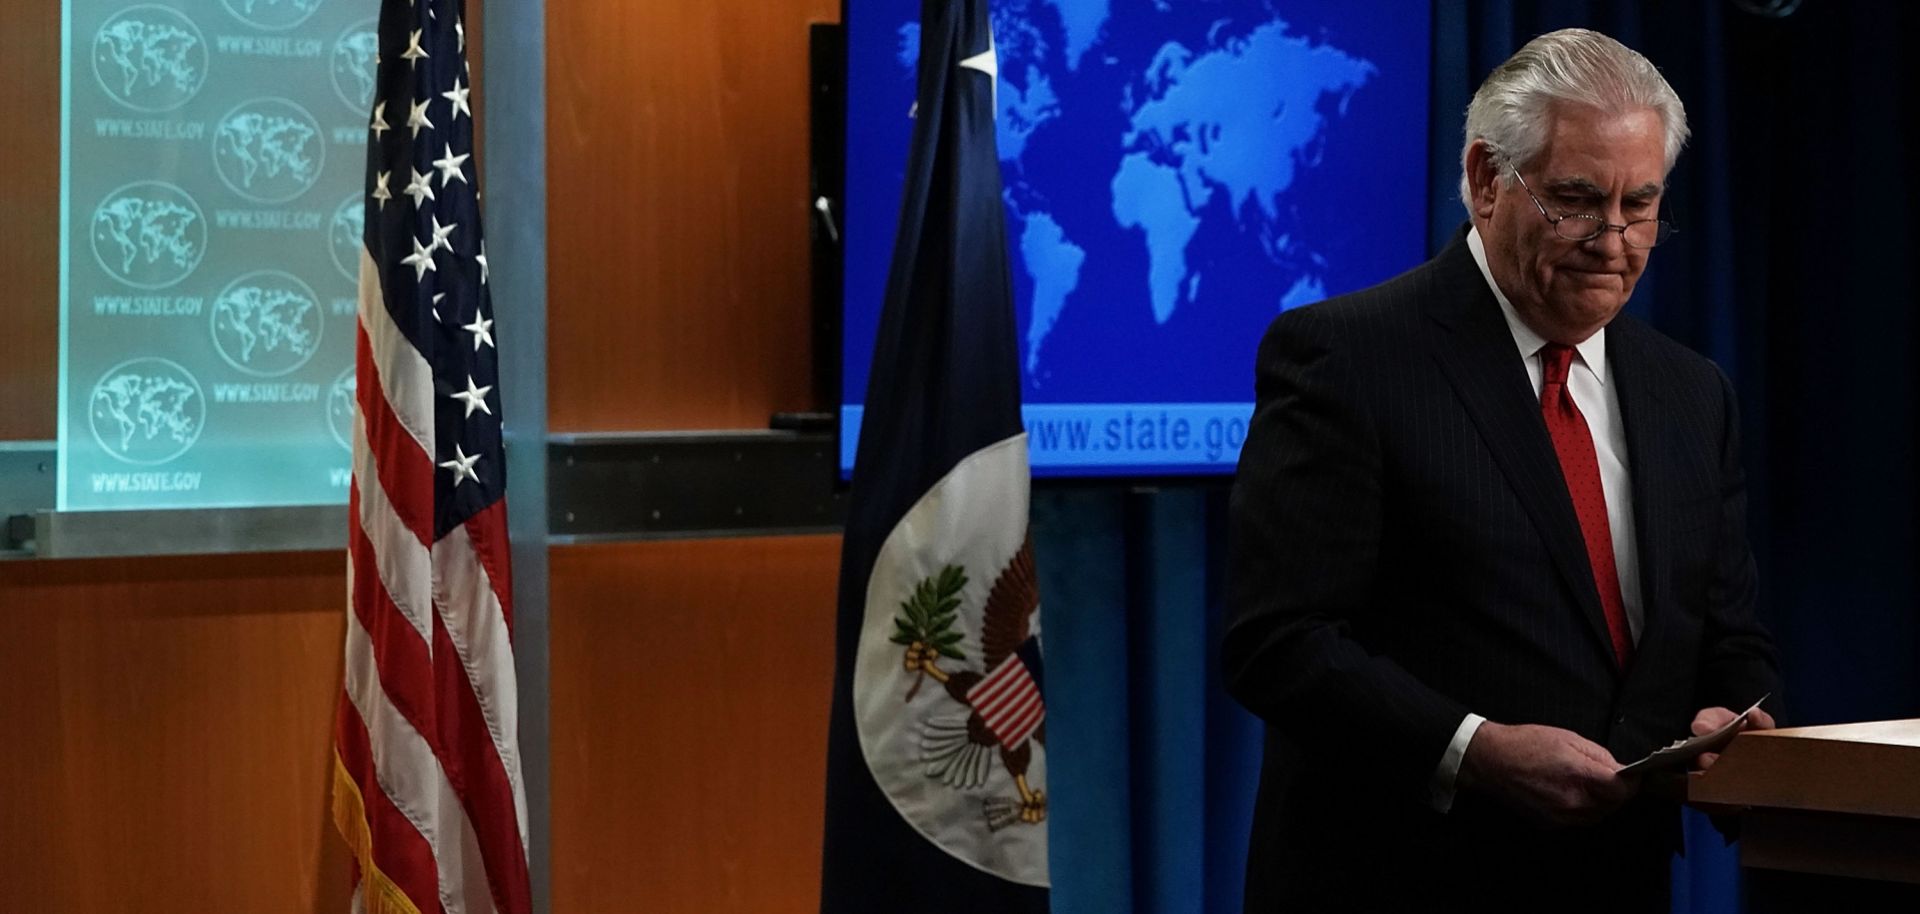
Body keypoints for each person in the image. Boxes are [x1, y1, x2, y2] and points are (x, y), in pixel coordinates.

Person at [1222, 28, 1782, 910]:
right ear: (1488, 179)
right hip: (1397, 880)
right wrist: (1473, 749)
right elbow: (1279, 643)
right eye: (1575, 201)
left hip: (1615, 884)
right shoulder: (1346, 358)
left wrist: (1728, 716)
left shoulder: (1692, 394)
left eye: (1641, 205)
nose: (1614, 240)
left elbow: (1728, 637)